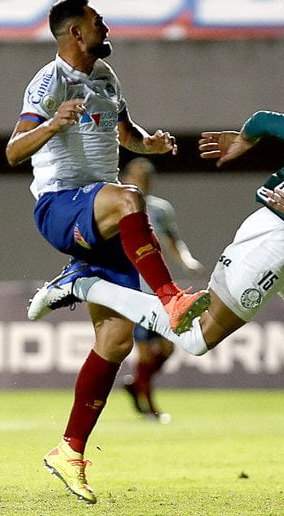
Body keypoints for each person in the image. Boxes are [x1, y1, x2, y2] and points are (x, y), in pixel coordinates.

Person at [33, 90, 284, 483]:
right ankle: (84, 285)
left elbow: (265, 120)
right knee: (195, 338)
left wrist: (243, 140)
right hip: (280, 241)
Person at [4, 0, 210, 505]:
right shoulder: (48, 82)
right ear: (76, 32)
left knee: (116, 341)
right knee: (129, 197)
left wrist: (153, 143)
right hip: (59, 208)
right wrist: (53, 123)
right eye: (98, 21)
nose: (106, 25)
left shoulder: (106, 80)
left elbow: (125, 134)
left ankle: (69, 450)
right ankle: (169, 297)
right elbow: (12, 150)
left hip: (101, 216)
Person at [119, 157, 205, 422]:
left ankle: (136, 386)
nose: (140, 181)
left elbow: (173, 241)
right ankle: (149, 407)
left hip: (158, 289)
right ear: (125, 177)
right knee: (144, 351)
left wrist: (188, 261)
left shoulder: (159, 209)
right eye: (136, 175)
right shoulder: (116, 205)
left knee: (167, 349)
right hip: (132, 290)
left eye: (145, 177)